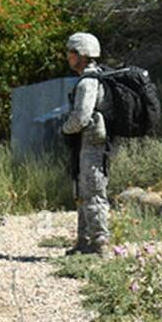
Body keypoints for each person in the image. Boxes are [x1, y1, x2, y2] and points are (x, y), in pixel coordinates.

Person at [61, 32, 113, 257]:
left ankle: (100, 243)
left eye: (71, 53)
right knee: (83, 191)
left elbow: (81, 117)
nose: (68, 57)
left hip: (93, 145)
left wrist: (64, 128)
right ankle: (84, 241)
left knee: (93, 191)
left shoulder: (88, 83)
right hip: (90, 144)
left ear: (81, 55)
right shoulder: (96, 78)